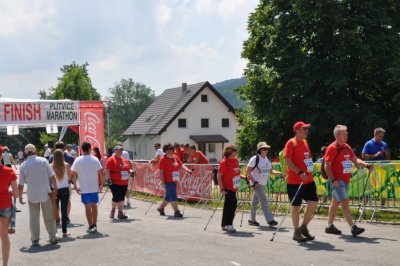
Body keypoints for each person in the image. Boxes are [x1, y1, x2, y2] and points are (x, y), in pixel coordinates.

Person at [324, 125, 373, 237]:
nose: (347, 135)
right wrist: (333, 180)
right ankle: (353, 227)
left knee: (335, 203)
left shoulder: (346, 146)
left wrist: (366, 165)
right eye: (344, 133)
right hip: (337, 181)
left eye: (346, 133)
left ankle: (329, 226)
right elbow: (327, 166)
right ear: (337, 135)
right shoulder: (332, 148)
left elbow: (355, 159)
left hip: (345, 180)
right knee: (345, 202)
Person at [18, 144, 59, 246]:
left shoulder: (23, 165)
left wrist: (20, 196)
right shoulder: (43, 161)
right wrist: (56, 188)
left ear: (26, 152)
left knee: (34, 218)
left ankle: (35, 239)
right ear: (35, 150)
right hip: (46, 192)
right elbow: (52, 177)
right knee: (49, 216)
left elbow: (20, 184)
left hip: (32, 194)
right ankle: (53, 237)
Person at [284, 121, 318, 242]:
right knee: (296, 206)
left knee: (313, 202)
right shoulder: (291, 142)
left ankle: (303, 226)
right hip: (295, 181)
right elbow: (287, 160)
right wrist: (299, 172)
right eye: (304, 129)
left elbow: (306, 159)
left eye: (307, 129)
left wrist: (309, 169)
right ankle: (296, 231)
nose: (306, 131)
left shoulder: (305, 142)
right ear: (297, 130)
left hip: (308, 180)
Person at [71, 142, 104, 234]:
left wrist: (75, 186)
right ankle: (95, 225)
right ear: (90, 149)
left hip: (84, 188)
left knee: (87, 207)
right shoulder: (95, 159)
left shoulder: (78, 160)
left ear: (81, 149)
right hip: (94, 187)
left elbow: (72, 174)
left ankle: (90, 226)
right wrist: (102, 184)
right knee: (94, 206)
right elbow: (102, 172)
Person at [247, 142, 282, 227]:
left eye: (267, 149)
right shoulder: (255, 158)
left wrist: (280, 173)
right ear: (259, 150)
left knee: (255, 202)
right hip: (257, 184)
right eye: (264, 149)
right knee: (264, 201)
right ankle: (270, 220)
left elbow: (271, 171)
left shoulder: (267, 159)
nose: (266, 150)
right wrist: (253, 181)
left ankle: (251, 220)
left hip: (263, 183)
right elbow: (248, 171)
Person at [156, 143, 192, 217]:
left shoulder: (175, 157)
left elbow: (181, 165)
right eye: (167, 150)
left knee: (168, 197)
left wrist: (188, 171)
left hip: (175, 180)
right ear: (165, 151)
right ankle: (176, 211)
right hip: (168, 181)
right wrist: (162, 182)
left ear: (173, 150)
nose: (169, 151)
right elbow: (161, 172)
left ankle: (161, 208)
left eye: (171, 149)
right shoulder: (163, 159)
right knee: (173, 195)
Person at [217, 144, 244, 233]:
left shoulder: (236, 161)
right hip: (227, 187)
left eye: (236, 150)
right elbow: (219, 176)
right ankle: (229, 224)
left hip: (234, 187)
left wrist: (245, 177)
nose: (236, 152)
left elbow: (237, 173)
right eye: (234, 150)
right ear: (229, 152)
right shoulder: (224, 162)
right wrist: (222, 188)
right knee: (232, 205)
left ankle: (224, 224)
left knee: (228, 206)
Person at [0, 145, 18, 266]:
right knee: (4, 235)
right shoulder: (9, 171)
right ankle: (5, 264)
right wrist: (10, 190)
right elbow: (16, 192)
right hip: (5, 204)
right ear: (1, 155)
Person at [105, 146, 133, 220]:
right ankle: (113, 210)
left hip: (124, 182)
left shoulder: (125, 160)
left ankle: (120, 213)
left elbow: (129, 169)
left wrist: (131, 172)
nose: (120, 151)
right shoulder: (111, 159)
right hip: (114, 182)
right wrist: (108, 179)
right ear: (115, 151)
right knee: (116, 197)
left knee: (122, 197)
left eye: (121, 150)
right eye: (119, 150)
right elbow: (107, 170)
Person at [50, 141, 75, 224]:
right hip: (66, 184)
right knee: (67, 201)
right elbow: (73, 173)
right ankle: (66, 217)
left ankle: (57, 218)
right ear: (64, 148)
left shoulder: (51, 159)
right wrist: (73, 182)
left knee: (55, 203)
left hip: (54, 185)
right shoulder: (70, 158)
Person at [50, 149, 72, 237]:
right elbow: (69, 177)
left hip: (54, 189)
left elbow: (50, 178)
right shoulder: (67, 165)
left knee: (54, 210)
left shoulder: (50, 166)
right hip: (65, 189)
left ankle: (54, 232)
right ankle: (64, 232)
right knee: (64, 211)